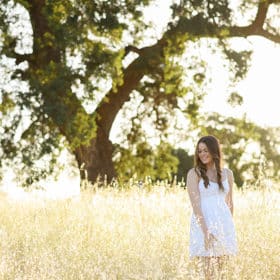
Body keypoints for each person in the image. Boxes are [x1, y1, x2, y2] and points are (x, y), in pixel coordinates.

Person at [186, 135, 237, 279]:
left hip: (223, 225)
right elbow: (195, 206)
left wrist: (228, 227)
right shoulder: (194, 174)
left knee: (222, 273)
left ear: (214, 151)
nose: (202, 154)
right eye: (199, 151)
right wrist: (205, 231)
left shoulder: (228, 174)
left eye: (205, 150)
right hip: (204, 225)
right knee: (208, 272)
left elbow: (230, 203)